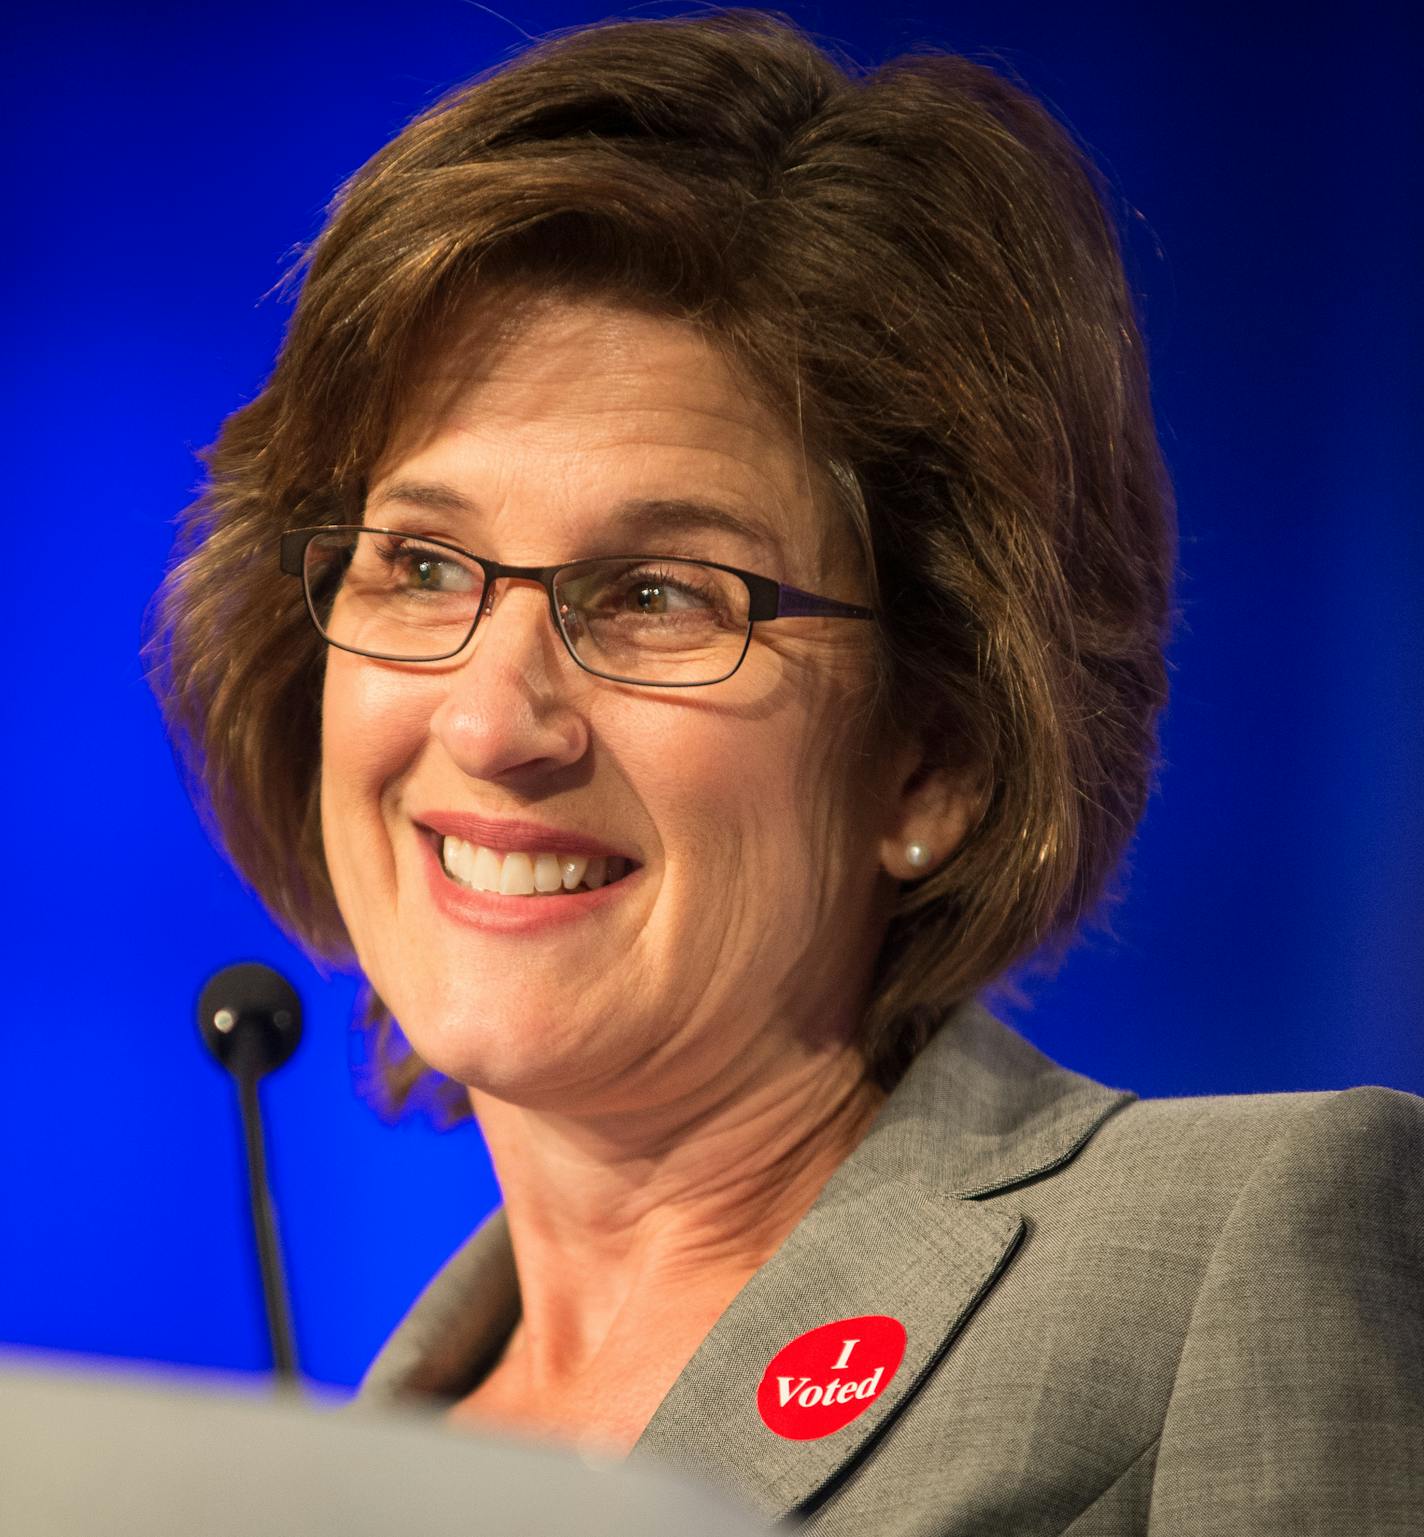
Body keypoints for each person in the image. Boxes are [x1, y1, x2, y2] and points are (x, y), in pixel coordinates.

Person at [147, 10, 1424, 1532]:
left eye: (659, 597)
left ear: (932, 754)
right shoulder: (332, 1468)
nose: (492, 722)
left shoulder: (1233, 1255)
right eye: (420, 563)